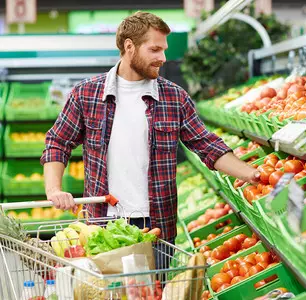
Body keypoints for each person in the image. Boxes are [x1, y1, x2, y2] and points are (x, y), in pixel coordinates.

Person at [40, 11, 260, 246]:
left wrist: (252, 174)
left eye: (164, 50)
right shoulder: (87, 94)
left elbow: (206, 145)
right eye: (155, 50)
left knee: (155, 284)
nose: (163, 58)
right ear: (129, 46)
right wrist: (54, 189)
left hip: (157, 227)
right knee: (112, 284)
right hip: (104, 224)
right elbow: (58, 142)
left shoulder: (174, 97)